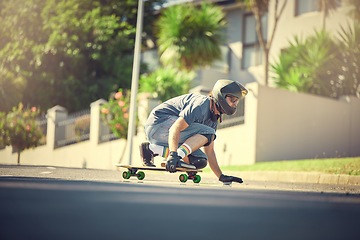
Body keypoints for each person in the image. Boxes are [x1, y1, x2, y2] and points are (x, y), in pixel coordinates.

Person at [139, 79, 248, 184]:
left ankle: (151, 149)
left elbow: (209, 151)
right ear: (221, 96)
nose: (235, 104)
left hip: (163, 135)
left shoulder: (214, 119)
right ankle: (177, 156)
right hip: (158, 124)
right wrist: (173, 154)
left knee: (200, 160)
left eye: (237, 101)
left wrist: (221, 176)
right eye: (232, 100)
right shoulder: (201, 104)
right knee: (209, 133)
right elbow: (175, 128)